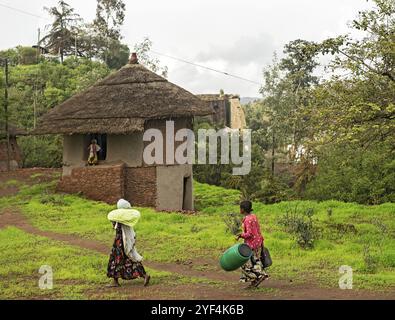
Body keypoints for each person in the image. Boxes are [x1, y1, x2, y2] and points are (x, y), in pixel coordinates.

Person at [107, 199, 150, 287]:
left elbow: (117, 229)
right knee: (124, 260)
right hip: (121, 242)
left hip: (121, 243)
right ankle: (144, 275)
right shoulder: (126, 219)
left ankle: (144, 275)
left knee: (118, 260)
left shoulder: (121, 219)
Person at [237, 200, 269, 287]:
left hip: (252, 244)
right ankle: (255, 281)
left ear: (243, 209)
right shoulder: (253, 216)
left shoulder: (247, 220)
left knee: (247, 263)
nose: (239, 210)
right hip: (258, 242)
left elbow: (249, 234)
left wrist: (241, 235)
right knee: (256, 261)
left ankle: (260, 275)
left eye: (240, 208)